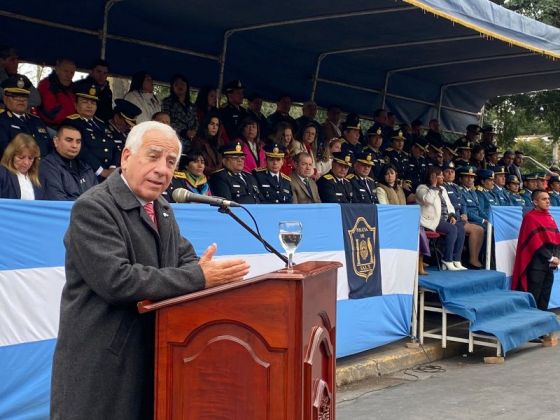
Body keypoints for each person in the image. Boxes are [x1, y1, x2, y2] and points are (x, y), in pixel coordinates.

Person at [50, 120, 249, 419]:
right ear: (126, 157)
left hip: (152, 356)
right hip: (104, 365)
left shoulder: (163, 208)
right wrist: (199, 276)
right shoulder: (93, 208)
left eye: (170, 162)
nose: (162, 169)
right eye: (153, 156)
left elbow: (184, 259)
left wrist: (199, 270)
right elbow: (117, 280)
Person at [512, 189, 560, 312]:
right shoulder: (530, 218)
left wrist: (557, 258)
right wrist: (550, 258)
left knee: (545, 296)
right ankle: (532, 324)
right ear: (535, 202)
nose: (548, 201)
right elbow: (535, 243)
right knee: (534, 296)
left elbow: (557, 239)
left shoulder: (550, 217)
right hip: (536, 265)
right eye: (544, 199)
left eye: (549, 198)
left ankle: (542, 323)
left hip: (550, 264)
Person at [63, 81, 120, 182]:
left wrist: (112, 167)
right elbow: (81, 150)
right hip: (86, 173)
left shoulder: (101, 123)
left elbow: (114, 146)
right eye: (85, 102)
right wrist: (101, 171)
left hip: (109, 174)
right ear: (75, 105)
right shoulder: (71, 122)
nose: (89, 106)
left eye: (93, 103)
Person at [416, 167, 466, 271]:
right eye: (440, 176)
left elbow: (448, 204)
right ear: (432, 177)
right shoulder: (421, 188)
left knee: (460, 228)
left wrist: (452, 215)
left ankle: (456, 259)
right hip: (430, 220)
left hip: (443, 219)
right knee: (452, 229)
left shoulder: (442, 189)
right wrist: (433, 186)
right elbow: (428, 200)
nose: (442, 177)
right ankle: (447, 260)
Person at [442, 162, 485, 269]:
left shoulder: (455, 187)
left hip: (459, 217)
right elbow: (446, 205)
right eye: (447, 172)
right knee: (473, 229)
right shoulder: (442, 187)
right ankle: (465, 259)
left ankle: (459, 259)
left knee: (479, 229)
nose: (450, 174)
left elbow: (462, 203)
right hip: (449, 218)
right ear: (442, 174)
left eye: (452, 172)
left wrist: (464, 213)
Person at [40, 125, 98, 200]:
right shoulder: (47, 166)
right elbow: (58, 201)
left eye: (78, 141)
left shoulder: (86, 167)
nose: (74, 145)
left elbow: (98, 199)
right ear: (56, 141)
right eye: (69, 140)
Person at [0, 75, 52, 157]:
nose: (21, 100)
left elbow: (49, 149)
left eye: (24, 96)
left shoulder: (37, 121)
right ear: (5, 99)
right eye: (15, 96)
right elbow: (5, 153)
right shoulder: (2, 121)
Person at [0, 133, 44, 199]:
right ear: (11, 155)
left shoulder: (39, 178)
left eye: (30, 158)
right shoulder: (2, 174)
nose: (26, 163)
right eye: (21, 157)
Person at [37, 57, 77, 127]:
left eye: (72, 73)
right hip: (50, 127)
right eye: (66, 71)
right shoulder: (46, 85)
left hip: (70, 125)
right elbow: (51, 113)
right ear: (57, 70)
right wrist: (74, 117)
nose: (69, 75)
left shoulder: (74, 89)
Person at [162, 74, 198, 141]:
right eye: (176, 84)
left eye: (182, 84)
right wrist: (184, 132)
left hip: (191, 142)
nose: (180, 86)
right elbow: (166, 121)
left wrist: (193, 132)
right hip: (174, 139)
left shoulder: (192, 106)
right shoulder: (167, 102)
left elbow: (196, 122)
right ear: (172, 88)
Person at [190, 111, 223, 176]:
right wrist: (216, 172)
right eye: (212, 124)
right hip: (204, 177)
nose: (214, 127)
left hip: (219, 177)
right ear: (206, 125)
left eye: (217, 125)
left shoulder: (220, 142)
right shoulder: (198, 141)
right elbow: (198, 164)